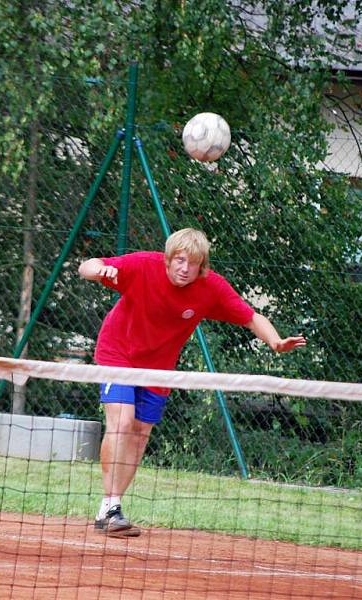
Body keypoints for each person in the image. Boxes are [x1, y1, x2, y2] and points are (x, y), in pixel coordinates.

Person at [78, 228, 306, 538]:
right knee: (122, 422)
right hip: (118, 352)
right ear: (168, 259)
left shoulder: (210, 288)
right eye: (180, 260)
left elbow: (251, 317)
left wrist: (276, 341)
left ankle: (112, 508)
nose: (185, 268)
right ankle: (111, 506)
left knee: (141, 434)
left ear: (202, 266)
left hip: (160, 367)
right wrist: (98, 270)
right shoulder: (143, 265)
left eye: (193, 263)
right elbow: (87, 265)